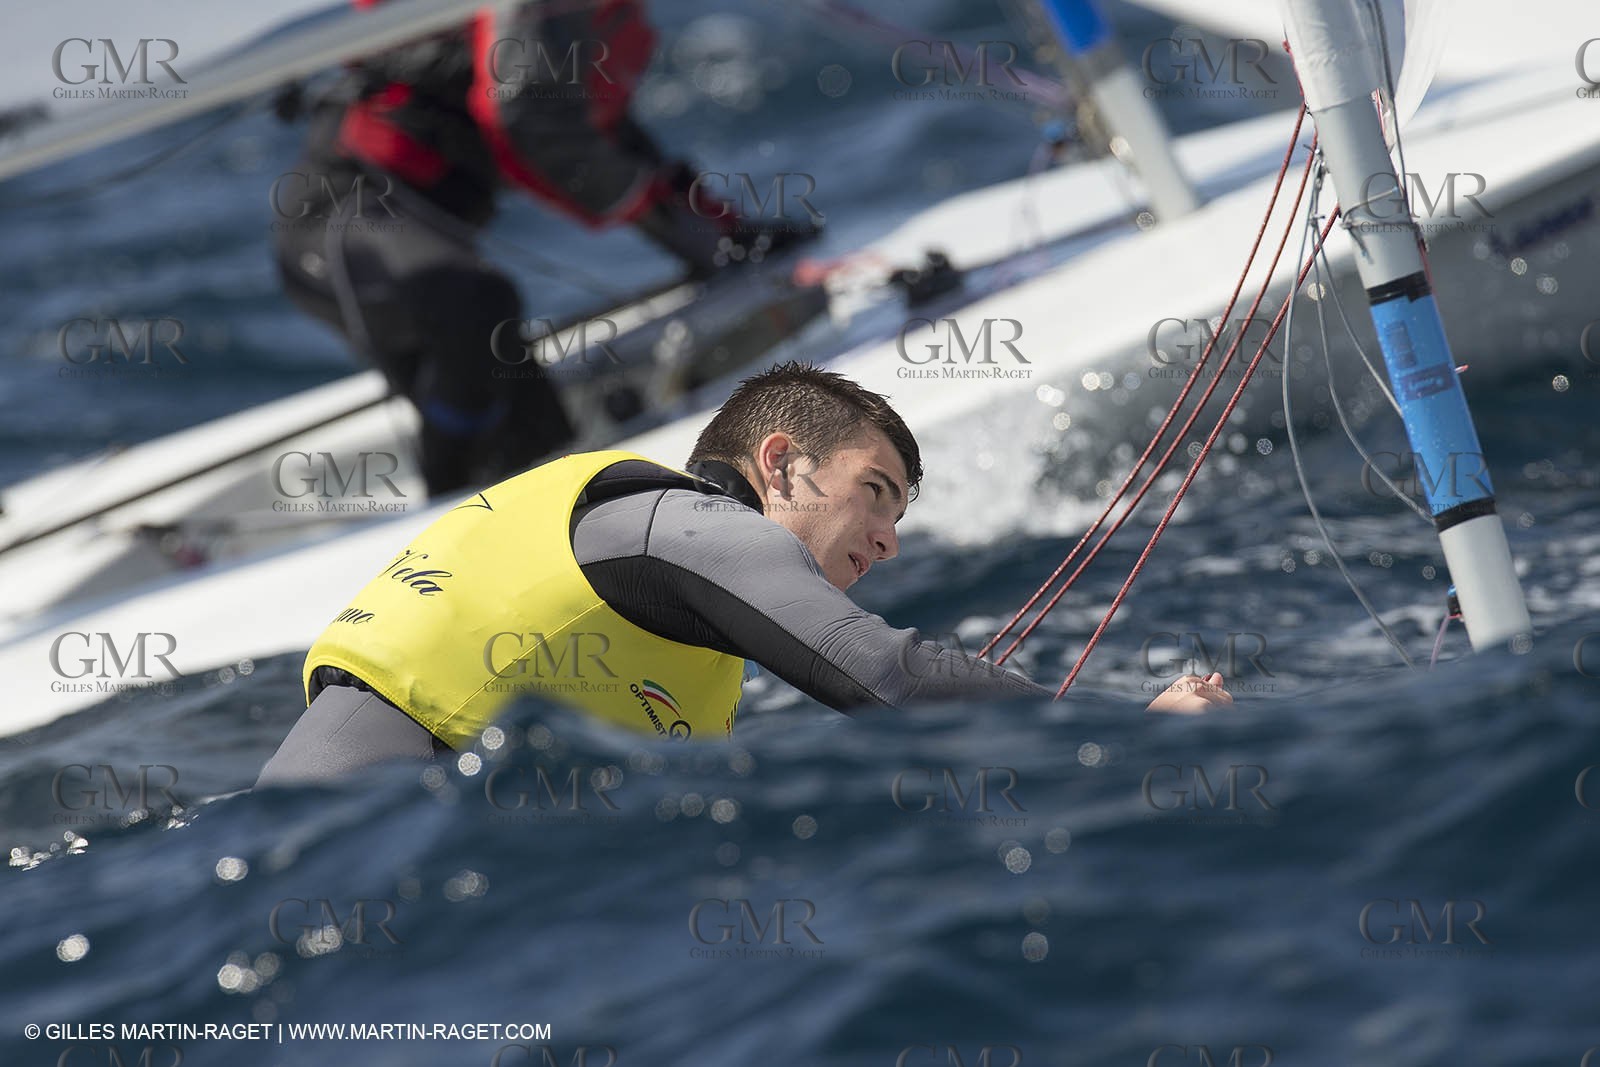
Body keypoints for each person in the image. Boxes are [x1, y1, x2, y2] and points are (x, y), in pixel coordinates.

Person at [255, 362, 1230, 786]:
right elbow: (887, 674)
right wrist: (1115, 735)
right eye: (876, 490)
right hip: (361, 851)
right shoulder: (683, 525)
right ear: (779, 462)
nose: (887, 538)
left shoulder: (670, 591)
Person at [272, 0, 818, 496]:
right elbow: (531, 126)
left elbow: (608, 144)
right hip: (337, 224)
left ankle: (478, 501)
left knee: (544, 444)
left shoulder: (562, 23)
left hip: (418, 245)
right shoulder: (531, 16)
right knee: (476, 305)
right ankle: (440, 506)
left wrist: (723, 241)